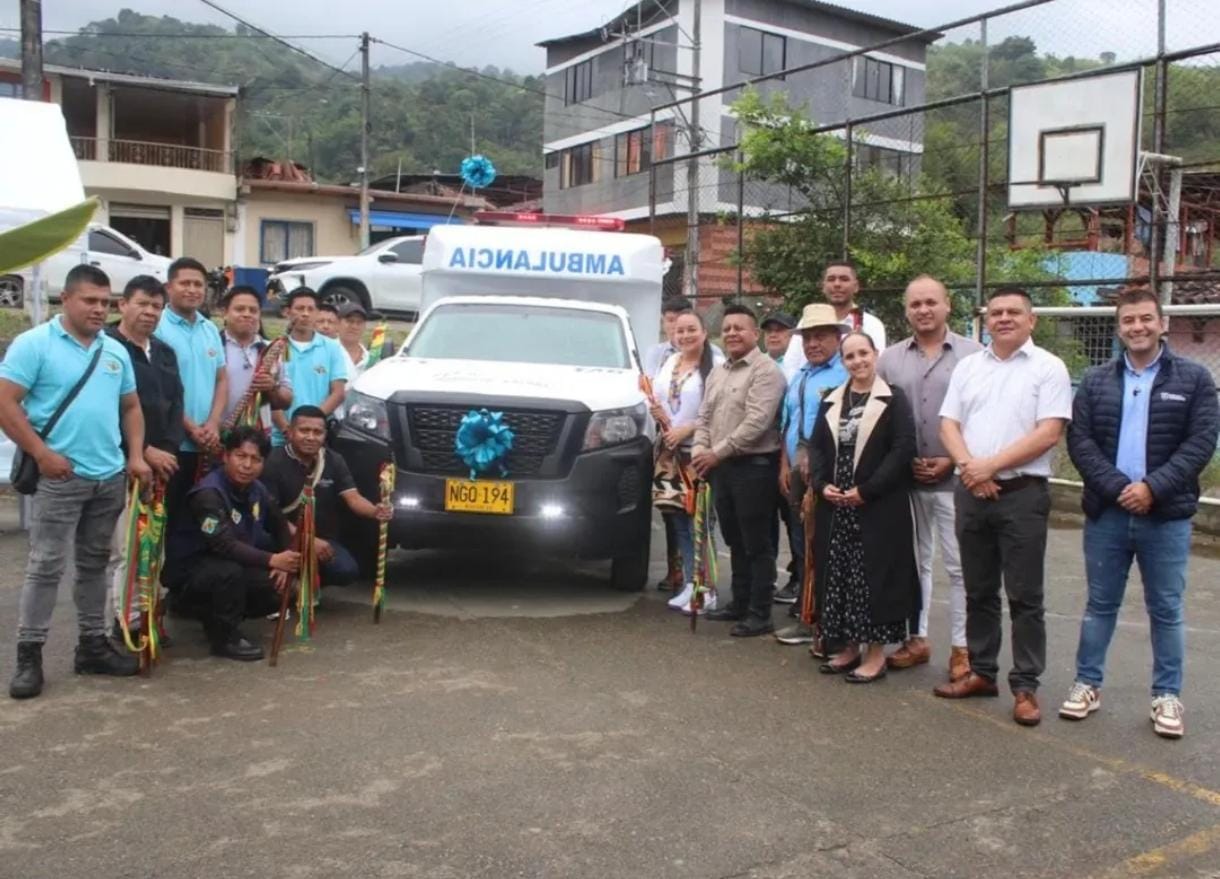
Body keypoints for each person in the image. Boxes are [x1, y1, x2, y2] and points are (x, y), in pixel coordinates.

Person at [1060, 287, 1219, 739]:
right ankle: (1087, 684)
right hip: (1107, 514)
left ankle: (1167, 695)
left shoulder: (1194, 380)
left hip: (1166, 516)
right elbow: (1081, 442)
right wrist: (1118, 489)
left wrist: (1152, 488)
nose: (1138, 327)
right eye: (1129, 320)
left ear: (1162, 323)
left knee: (1166, 608)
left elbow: (1200, 443)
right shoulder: (1095, 380)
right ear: (1119, 326)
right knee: (1100, 605)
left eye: (1146, 318)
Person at [0, 265, 152, 699]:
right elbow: (5, 401)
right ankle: (29, 654)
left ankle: (92, 647)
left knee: (94, 565)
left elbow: (131, 407)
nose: (98, 309)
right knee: (46, 565)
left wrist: (136, 455)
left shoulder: (114, 351)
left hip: (108, 477)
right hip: (59, 477)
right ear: (64, 299)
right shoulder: (35, 345)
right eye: (90, 300)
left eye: (105, 302)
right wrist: (41, 454)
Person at [933, 287, 1072, 728]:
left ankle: (1026, 686)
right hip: (972, 494)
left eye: (1014, 312)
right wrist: (972, 470)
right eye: (996, 312)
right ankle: (982, 672)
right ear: (985, 320)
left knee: (1025, 595)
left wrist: (987, 467)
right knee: (978, 590)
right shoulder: (969, 367)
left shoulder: (1049, 368)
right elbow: (948, 424)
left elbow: (1049, 432)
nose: (1004, 318)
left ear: (1031, 321)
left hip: (1022, 495)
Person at [876, 276, 982, 681]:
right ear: (906, 310)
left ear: (948, 305)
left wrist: (953, 462)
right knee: (914, 562)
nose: (923, 310)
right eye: (915, 303)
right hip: (907, 480)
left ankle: (962, 647)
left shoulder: (974, 355)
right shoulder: (889, 359)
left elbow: (979, 418)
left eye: (930, 302)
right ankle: (916, 638)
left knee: (959, 566)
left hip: (957, 480)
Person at [808, 332, 918, 682]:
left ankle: (875, 655)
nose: (857, 361)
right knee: (840, 575)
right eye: (850, 356)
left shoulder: (893, 399)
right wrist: (821, 484)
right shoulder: (832, 401)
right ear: (843, 362)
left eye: (863, 354)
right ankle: (848, 647)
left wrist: (866, 490)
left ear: (876, 354)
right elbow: (817, 448)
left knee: (875, 578)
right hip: (836, 505)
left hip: (877, 506)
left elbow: (902, 449)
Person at [163, 426, 299, 660]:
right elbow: (223, 544)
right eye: (241, 456)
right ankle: (224, 638)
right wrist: (272, 559)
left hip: (229, 563)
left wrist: (284, 560)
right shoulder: (208, 493)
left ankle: (216, 618)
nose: (247, 465)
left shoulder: (256, 488)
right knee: (228, 572)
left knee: (281, 589)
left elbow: (279, 524)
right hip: (191, 572)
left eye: (255, 459)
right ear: (226, 456)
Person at [694, 304, 787, 637]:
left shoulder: (766, 371)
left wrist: (715, 453)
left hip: (753, 467)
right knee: (733, 539)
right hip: (720, 467)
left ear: (755, 334)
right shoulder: (719, 370)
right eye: (727, 328)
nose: (732, 333)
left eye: (739, 328)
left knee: (757, 543)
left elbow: (757, 422)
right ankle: (739, 602)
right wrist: (700, 451)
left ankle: (760, 613)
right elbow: (704, 417)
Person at [104, 275, 185, 639]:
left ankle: (151, 614)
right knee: (126, 548)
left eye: (157, 306)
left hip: (161, 467)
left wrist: (165, 452)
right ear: (123, 304)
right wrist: (141, 450)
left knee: (156, 547)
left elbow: (175, 405)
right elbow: (107, 410)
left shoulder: (164, 352)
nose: (150, 312)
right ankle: (124, 623)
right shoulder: (106, 346)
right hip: (121, 463)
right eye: (142, 304)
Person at [772, 304, 848, 645]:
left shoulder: (845, 374)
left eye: (821, 337)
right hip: (796, 470)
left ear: (836, 338)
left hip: (825, 473)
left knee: (823, 546)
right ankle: (807, 612)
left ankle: (823, 618)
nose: (814, 344)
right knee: (801, 545)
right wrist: (785, 466)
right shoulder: (801, 375)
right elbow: (788, 424)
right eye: (808, 338)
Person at [261, 406, 393, 589]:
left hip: (323, 540)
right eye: (304, 430)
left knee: (346, 571)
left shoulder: (333, 460)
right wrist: (307, 540)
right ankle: (293, 584)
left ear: (325, 435)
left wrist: (375, 511)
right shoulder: (273, 462)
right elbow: (274, 516)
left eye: (317, 432)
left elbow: (353, 498)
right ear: (290, 432)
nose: (310, 437)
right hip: (282, 539)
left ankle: (309, 584)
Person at [648, 311, 723, 614]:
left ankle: (707, 587)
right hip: (670, 453)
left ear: (704, 332)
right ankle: (691, 584)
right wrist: (658, 415)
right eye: (680, 331)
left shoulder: (716, 366)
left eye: (692, 329)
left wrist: (687, 428)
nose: (685, 336)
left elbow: (716, 410)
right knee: (678, 520)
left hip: (699, 454)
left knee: (700, 522)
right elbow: (657, 396)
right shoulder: (670, 362)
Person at [154, 257, 227, 516]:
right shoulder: (157, 327)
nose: (193, 289)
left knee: (202, 521)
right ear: (168, 287)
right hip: (172, 446)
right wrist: (191, 427)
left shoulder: (210, 329)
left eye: (199, 284)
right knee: (168, 521)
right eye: (185, 283)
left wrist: (213, 423)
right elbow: (160, 391)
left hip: (207, 445)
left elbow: (221, 379)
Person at [270, 287, 349, 446]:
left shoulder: (331, 348)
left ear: (317, 313)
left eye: (310, 309)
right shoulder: (275, 348)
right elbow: (271, 396)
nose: (305, 314)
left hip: (316, 438)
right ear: (288, 312)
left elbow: (338, 393)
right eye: (299, 308)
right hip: (282, 439)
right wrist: (287, 430)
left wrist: (310, 427)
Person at [782, 260, 886, 377]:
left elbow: (877, 366)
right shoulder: (807, 322)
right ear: (823, 287)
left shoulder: (871, 324)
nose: (837, 284)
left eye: (844, 279)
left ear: (856, 286)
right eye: (831, 279)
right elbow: (791, 364)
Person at [219, 285, 293, 432]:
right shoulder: (213, 347)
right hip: (216, 434)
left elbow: (287, 400)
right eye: (239, 309)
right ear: (225, 313)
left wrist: (273, 387)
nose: (247, 314)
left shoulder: (271, 351)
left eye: (253, 310)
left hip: (255, 441)